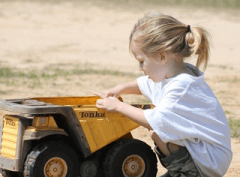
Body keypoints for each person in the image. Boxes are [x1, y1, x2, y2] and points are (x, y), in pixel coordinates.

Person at [95, 11, 232, 177]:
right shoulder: (174, 75)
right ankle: (182, 170)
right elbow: (144, 84)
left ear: (161, 57)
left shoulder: (181, 87)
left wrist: (119, 106)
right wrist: (120, 88)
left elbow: (154, 120)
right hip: (206, 153)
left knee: (157, 131)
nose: (140, 68)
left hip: (210, 160)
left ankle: (188, 174)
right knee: (158, 133)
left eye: (141, 61)